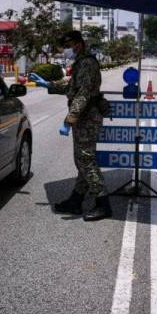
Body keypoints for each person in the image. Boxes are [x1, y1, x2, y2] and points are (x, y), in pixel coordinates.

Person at [42, 30, 112, 221]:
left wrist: (68, 120)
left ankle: (103, 204)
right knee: (82, 160)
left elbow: (83, 95)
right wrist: (48, 85)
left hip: (88, 118)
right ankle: (76, 200)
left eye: (67, 47)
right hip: (84, 119)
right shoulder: (81, 63)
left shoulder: (87, 63)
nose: (66, 51)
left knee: (86, 160)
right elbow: (71, 88)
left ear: (78, 45)